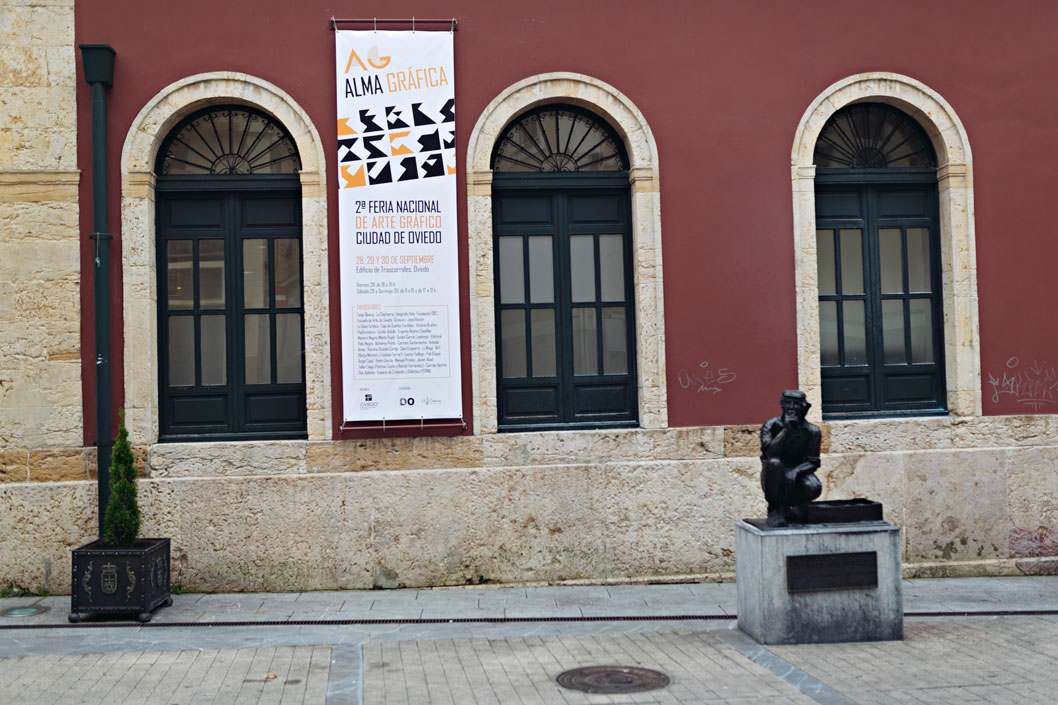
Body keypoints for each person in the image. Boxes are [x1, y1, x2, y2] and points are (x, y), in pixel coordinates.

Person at [760, 390, 822, 526]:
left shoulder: (813, 431)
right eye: (788, 403)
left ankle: (788, 507)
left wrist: (795, 472)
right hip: (773, 474)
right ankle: (775, 509)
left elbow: (813, 462)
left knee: (814, 487)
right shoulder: (770, 425)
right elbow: (770, 454)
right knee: (775, 463)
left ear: (805, 408)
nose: (792, 408)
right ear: (782, 406)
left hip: (797, 473)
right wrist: (786, 430)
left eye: (797, 404)